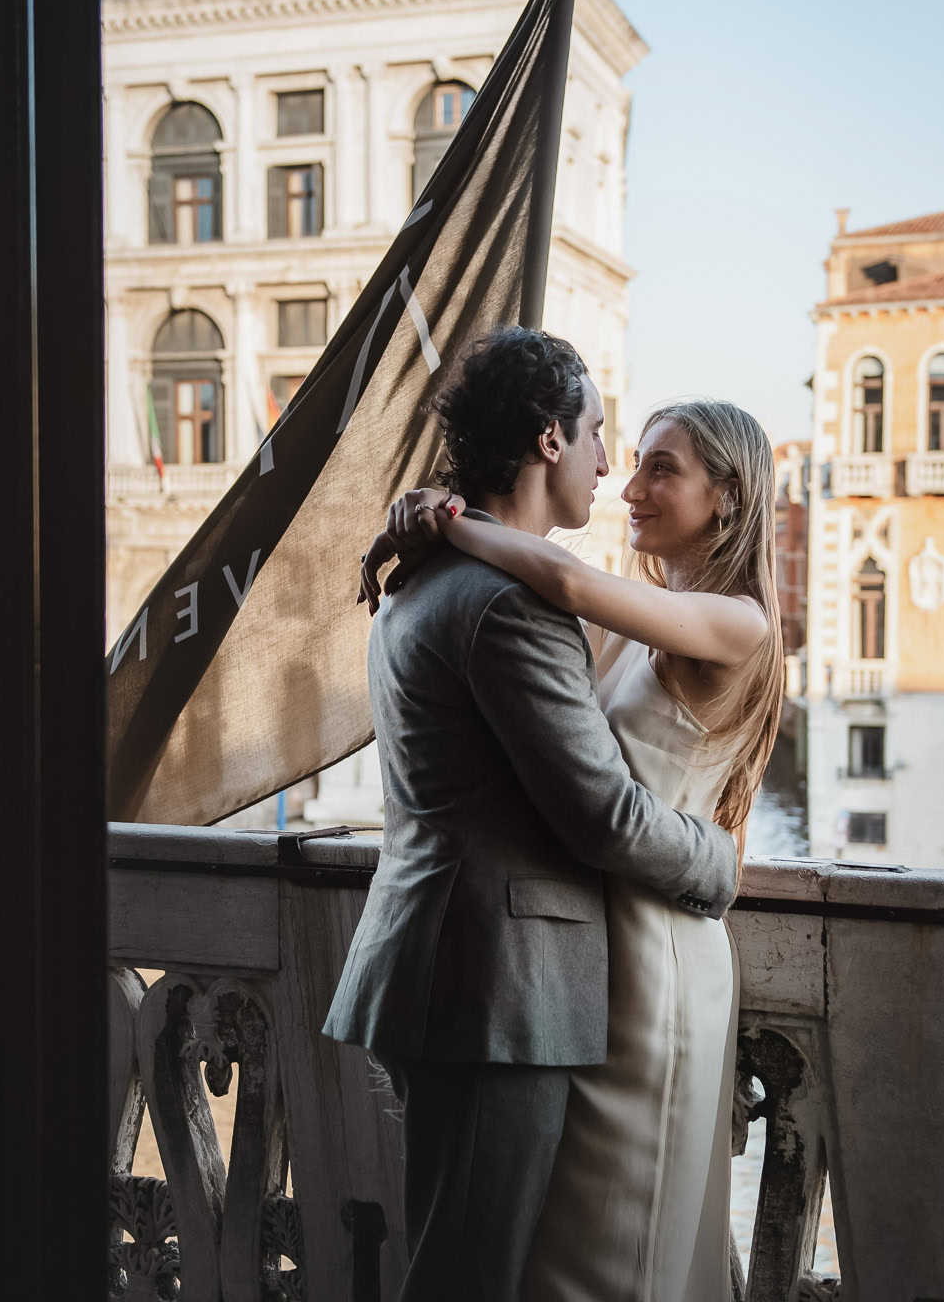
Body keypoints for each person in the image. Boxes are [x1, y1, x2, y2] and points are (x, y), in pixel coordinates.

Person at [321, 327, 742, 1302]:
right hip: (496, 987)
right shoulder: (508, 603)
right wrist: (716, 861)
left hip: (444, 962)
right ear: (550, 439)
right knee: (471, 1278)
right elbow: (599, 813)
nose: (609, 463)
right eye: (598, 434)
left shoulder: (425, 577)